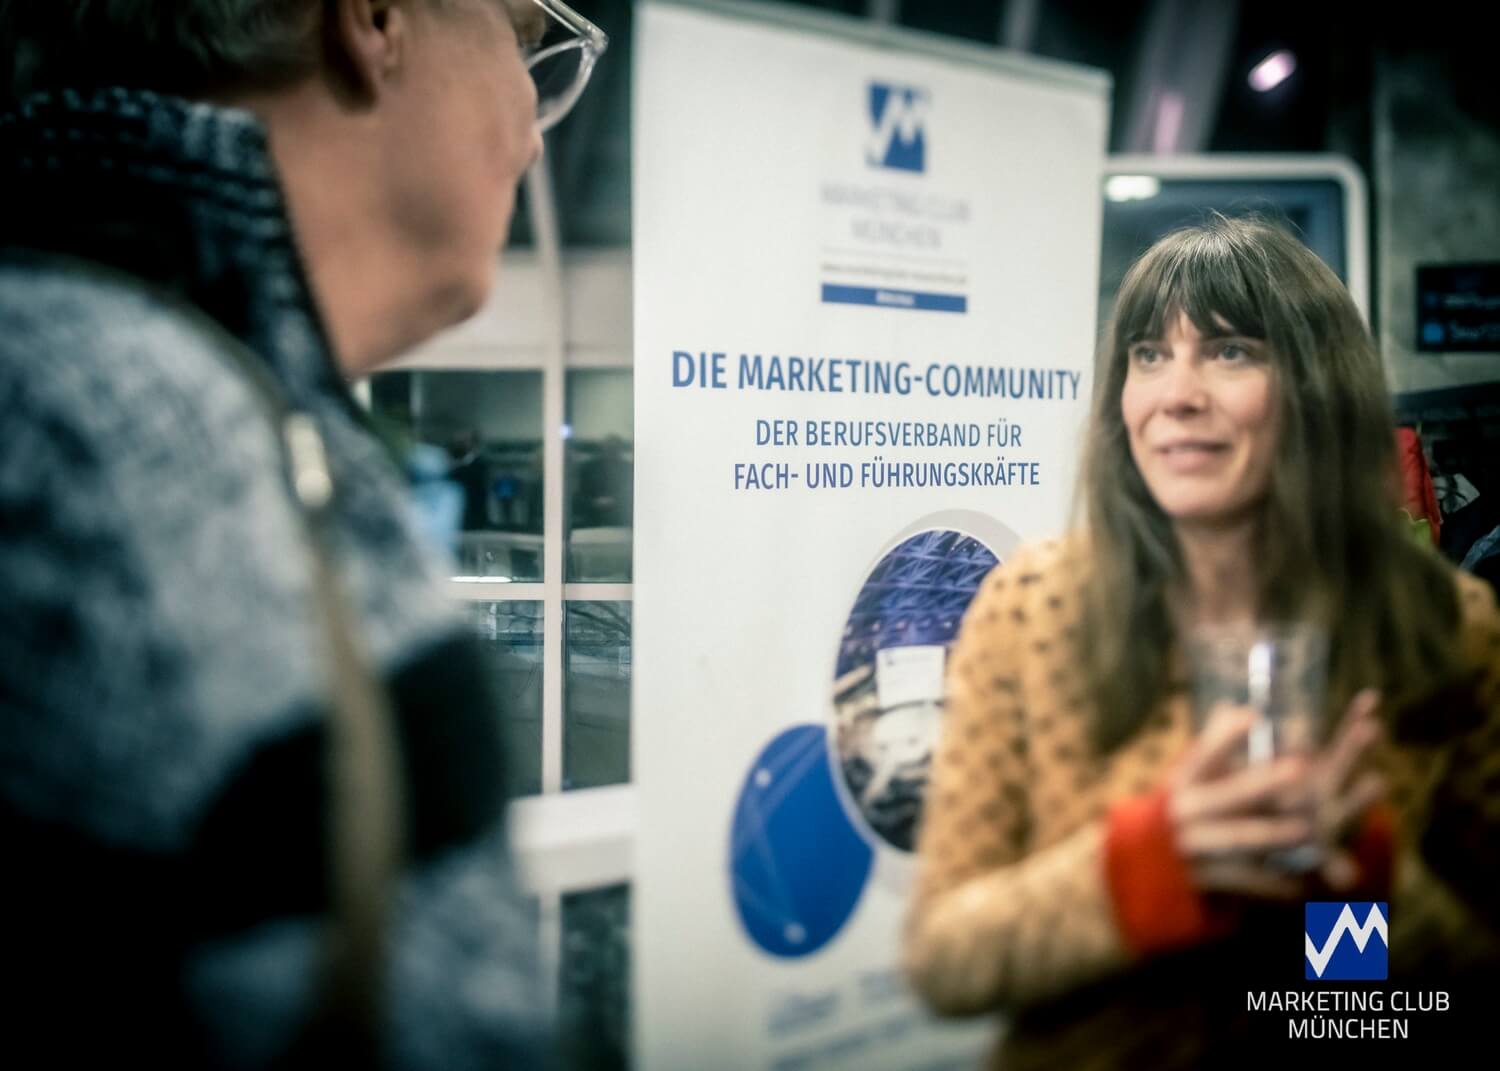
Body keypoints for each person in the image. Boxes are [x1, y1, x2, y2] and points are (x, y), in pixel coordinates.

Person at [0, 1, 605, 1066]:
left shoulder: (122, 381)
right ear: (375, 19)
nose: (533, 121)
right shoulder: (123, 445)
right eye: (523, 41)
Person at [904, 216, 1500, 1066]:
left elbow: (1443, 983)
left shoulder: (1445, 622)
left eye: (1228, 351)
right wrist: (1141, 871)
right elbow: (943, 956)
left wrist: (1362, 885)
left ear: (1319, 385)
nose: (1175, 394)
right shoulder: (1033, 605)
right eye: (1149, 354)